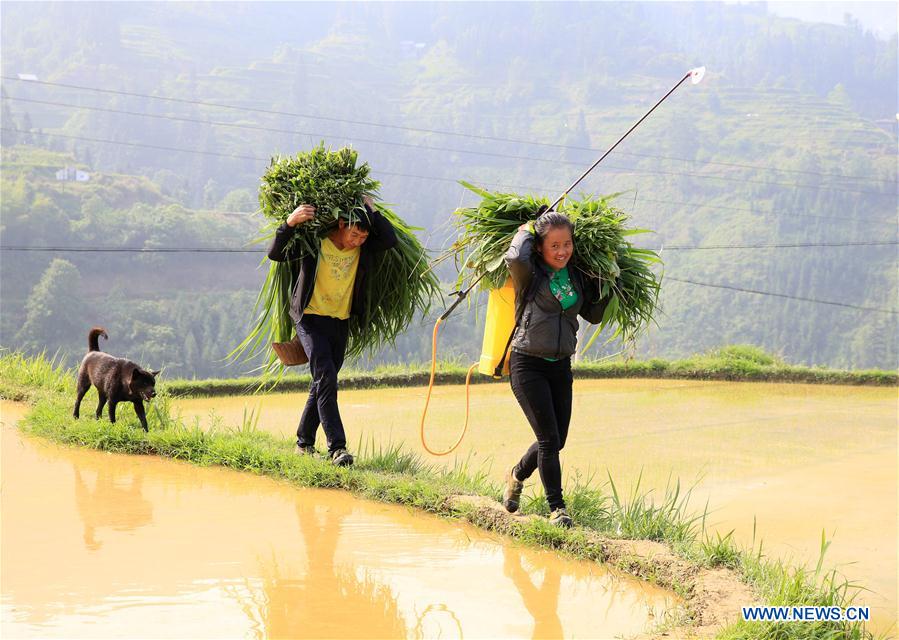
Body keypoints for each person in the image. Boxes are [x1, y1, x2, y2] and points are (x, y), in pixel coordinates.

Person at [267, 195, 397, 466]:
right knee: (326, 377)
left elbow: (389, 239)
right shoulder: (314, 242)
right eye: (354, 234)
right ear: (340, 224)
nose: (357, 241)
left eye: (363, 237)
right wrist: (289, 223)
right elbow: (276, 253)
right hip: (310, 318)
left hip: (340, 320)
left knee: (323, 381)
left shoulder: (363, 249)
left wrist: (373, 211)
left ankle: (303, 442)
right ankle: (337, 448)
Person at [501, 211, 608, 527]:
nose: (562, 252)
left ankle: (517, 474)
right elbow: (515, 257)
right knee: (548, 440)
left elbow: (593, 315)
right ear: (539, 247)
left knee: (557, 440)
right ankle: (557, 509)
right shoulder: (530, 275)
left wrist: (606, 282)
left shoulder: (575, 275)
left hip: (560, 365)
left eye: (567, 244)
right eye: (554, 246)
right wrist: (526, 230)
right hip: (527, 363)